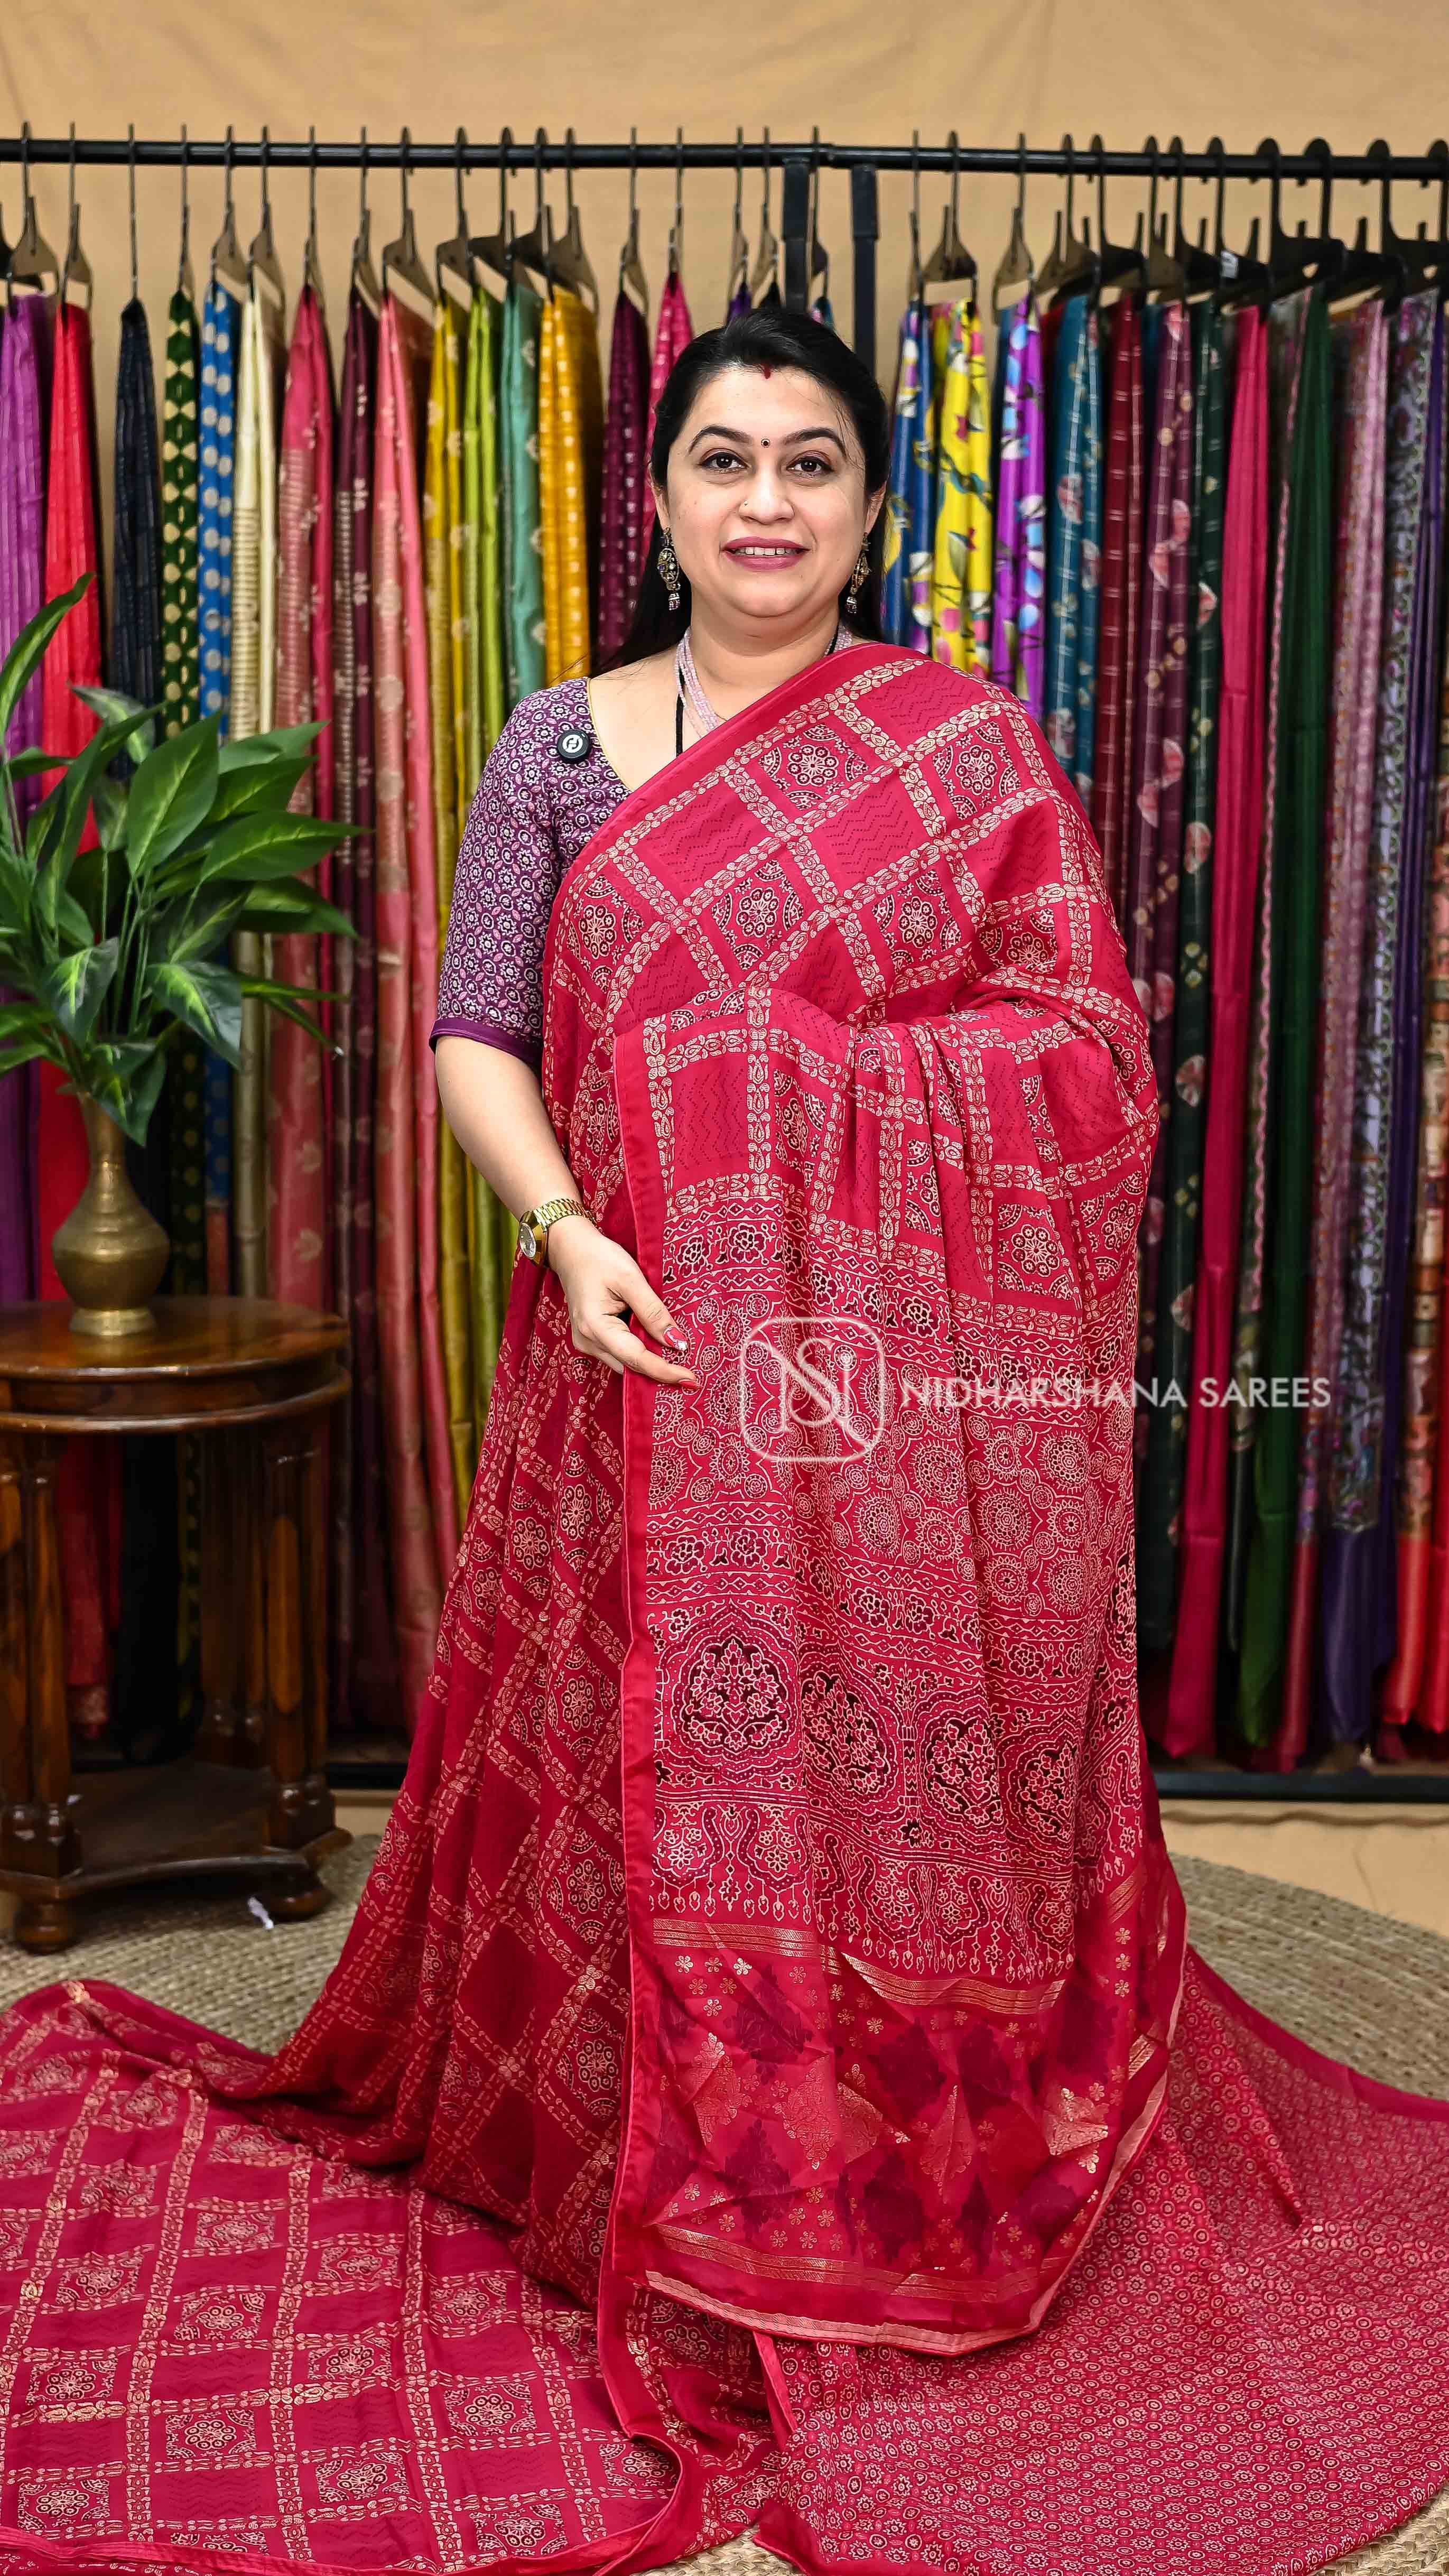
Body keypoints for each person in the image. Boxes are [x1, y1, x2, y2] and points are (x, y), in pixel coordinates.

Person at [1, 305, 1448, 2576]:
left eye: (811, 462)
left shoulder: (960, 749)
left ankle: (871, 2141)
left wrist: (807, 1095)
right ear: (661, 495)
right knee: (642, 1751)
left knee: (864, 1765)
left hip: (894, 1405)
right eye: (722, 459)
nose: (765, 501)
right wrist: (568, 1226)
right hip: (640, 1348)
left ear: (869, 508)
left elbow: (1089, 1057)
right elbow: (478, 1032)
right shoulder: (557, 747)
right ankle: (632, 2152)